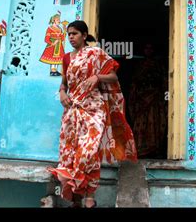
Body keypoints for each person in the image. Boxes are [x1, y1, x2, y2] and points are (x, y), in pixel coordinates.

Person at [47, 20, 137, 208]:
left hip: (95, 109)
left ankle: (84, 190)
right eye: (69, 34)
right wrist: (62, 93)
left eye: (75, 33)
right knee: (71, 153)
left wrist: (97, 77)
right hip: (73, 110)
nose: (71, 37)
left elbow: (113, 76)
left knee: (89, 151)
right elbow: (64, 83)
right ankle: (82, 198)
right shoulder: (66, 58)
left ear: (84, 35)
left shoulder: (96, 53)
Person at [128, 43, 168, 158]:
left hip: (155, 99)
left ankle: (154, 150)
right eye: (146, 48)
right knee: (140, 124)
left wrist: (165, 97)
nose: (149, 51)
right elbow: (134, 83)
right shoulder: (139, 65)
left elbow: (165, 82)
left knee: (155, 123)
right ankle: (140, 150)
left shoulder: (159, 65)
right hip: (140, 101)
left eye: (151, 48)